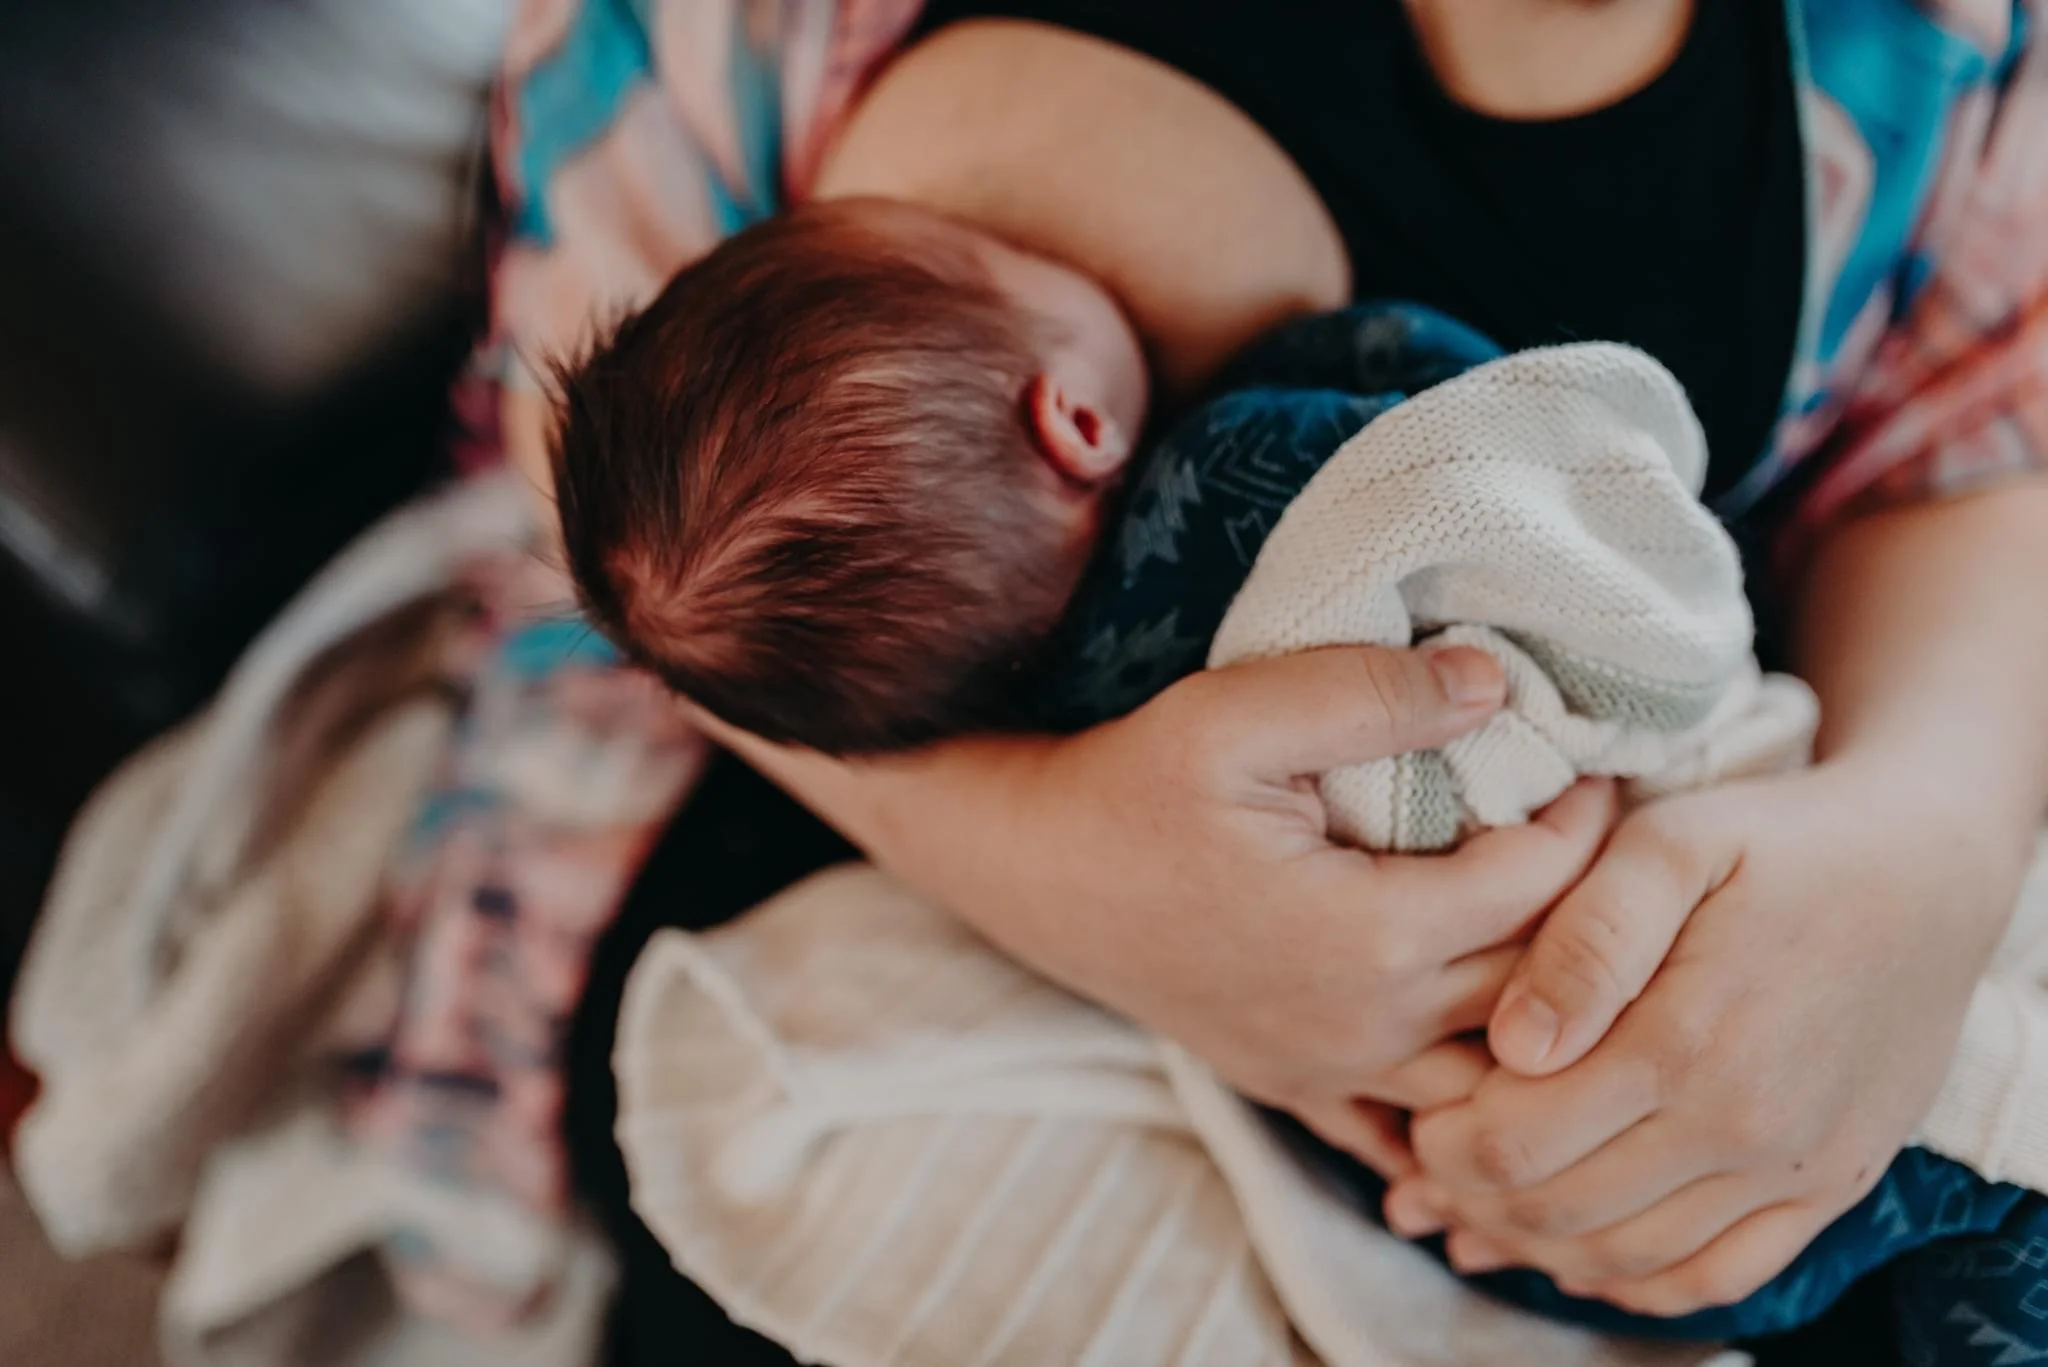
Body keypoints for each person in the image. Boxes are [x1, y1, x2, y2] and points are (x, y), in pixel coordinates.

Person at [495, 2, 2048, 1360]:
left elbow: (1984, 431)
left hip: (1707, 898)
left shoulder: (1953, 50)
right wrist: (1047, 859)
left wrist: (1927, 841)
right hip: (878, 846)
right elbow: (616, 490)